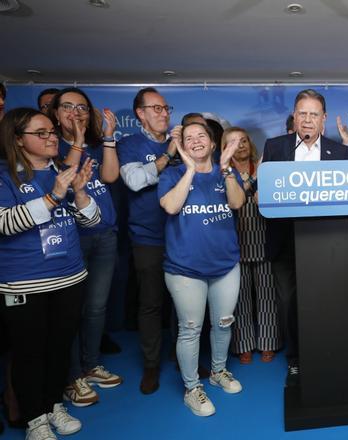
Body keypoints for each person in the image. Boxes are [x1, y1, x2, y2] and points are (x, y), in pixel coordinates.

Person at [0, 108, 101, 439]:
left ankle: (53, 405)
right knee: (29, 353)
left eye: (52, 132)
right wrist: (53, 196)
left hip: (69, 278)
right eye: (40, 133)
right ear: (18, 139)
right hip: (24, 282)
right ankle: (35, 420)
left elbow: (91, 222)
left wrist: (81, 192)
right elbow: (4, 223)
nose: (51, 137)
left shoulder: (62, 171)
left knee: (60, 348)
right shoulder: (5, 176)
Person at [260, 89, 348, 386]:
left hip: (325, 244)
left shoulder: (339, 153)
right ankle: (296, 360)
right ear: (294, 117)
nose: (307, 120)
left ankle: (324, 355)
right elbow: (265, 194)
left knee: (324, 302)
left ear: (323, 119)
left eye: (314, 114)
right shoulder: (274, 148)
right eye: (302, 113)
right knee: (289, 304)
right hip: (285, 242)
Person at [158, 121, 245, 416]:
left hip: (225, 265)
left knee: (223, 322)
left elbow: (237, 202)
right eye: (188, 138)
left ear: (212, 142)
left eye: (201, 136)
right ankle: (192, 388)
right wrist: (191, 170)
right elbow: (170, 206)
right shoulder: (172, 174)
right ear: (182, 145)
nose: (195, 141)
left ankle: (218, 372)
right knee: (191, 329)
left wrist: (225, 168)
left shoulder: (226, 173)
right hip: (184, 269)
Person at [48, 88, 123, 407]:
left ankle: (90, 365)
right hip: (71, 237)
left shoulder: (95, 144)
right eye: (67, 107)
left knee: (96, 307)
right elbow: (64, 177)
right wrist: (76, 138)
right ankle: (72, 375)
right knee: (71, 310)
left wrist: (107, 137)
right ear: (54, 113)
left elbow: (109, 175)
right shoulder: (49, 144)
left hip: (105, 233)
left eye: (81, 107)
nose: (75, 112)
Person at [117, 87, 176, 394]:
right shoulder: (130, 144)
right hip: (148, 238)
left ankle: (184, 360)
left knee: (183, 304)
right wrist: (167, 156)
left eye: (166, 108)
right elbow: (135, 180)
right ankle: (151, 365)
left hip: (182, 236)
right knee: (151, 304)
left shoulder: (182, 142)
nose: (163, 113)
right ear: (140, 113)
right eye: (156, 108)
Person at [225, 127, 281, 364]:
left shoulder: (265, 169)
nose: (241, 145)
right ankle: (244, 345)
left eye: (244, 140)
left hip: (263, 239)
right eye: (234, 142)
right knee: (240, 298)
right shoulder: (222, 173)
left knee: (268, 296)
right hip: (235, 242)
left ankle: (268, 343)